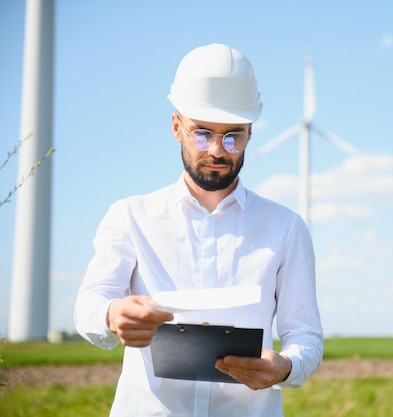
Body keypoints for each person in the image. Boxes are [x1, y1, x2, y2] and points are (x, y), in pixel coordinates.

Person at [74, 43, 324, 417]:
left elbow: (305, 335)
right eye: (202, 133)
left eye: (233, 136)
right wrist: (112, 314)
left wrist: (285, 367)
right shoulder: (130, 216)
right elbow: (88, 305)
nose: (218, 151)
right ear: (177, 127)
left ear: (251, 133)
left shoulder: (286, 228)